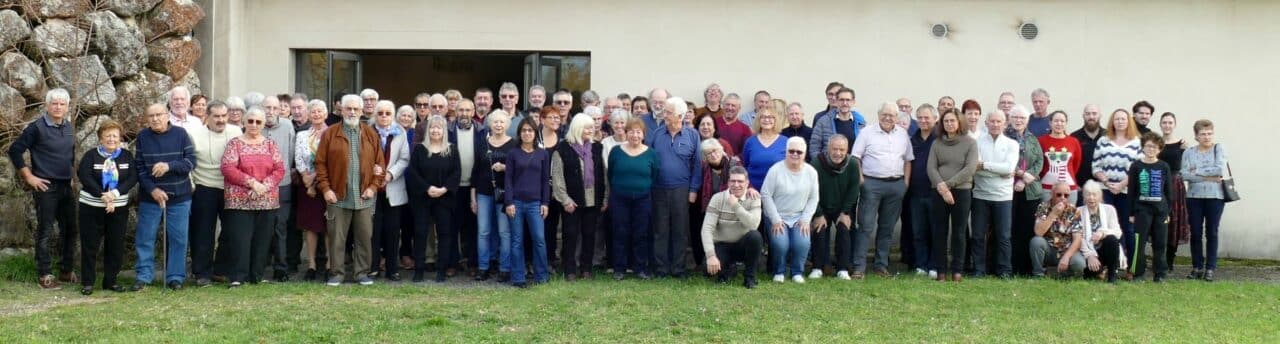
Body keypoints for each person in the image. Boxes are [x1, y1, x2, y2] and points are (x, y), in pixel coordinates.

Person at [8, 89, 78, 289]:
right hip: (45, 186)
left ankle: (66, 271)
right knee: (45, 230)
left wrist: (71, 177)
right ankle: (45, 274)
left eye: (62, 104)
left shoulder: (68, 127)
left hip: (66, 185)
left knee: (71, 230)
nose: (58, 107)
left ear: (67, 107)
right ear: (47, 106)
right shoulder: (36, 128)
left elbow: (70, 155)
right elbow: (15, 150)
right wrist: (29, 176)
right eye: (54, 103)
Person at [315, 94, 385, 287]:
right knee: (337, 238)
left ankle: (361, 273)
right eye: (349, 108)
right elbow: (320, 164)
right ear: (341, 110)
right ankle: (336, 274)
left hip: (364, 197)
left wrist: (372, 187)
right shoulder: (330, 133)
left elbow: (380, 165)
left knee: (363, 238)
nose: (352, 112)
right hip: (337, 196)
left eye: (356, 109)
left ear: (362, 111)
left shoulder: (371, 134)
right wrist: (326, 189)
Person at [132, 103, 196, 291]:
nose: (155, 119)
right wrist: (152, 189)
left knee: (178, 239)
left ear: (168, 115)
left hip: (179, 196)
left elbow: (191, 162)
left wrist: (169, 166)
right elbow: (140, 168)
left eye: (159, 114)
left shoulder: (181, 134)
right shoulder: (143, 137)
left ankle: (175, 277)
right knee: (145, 237)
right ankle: (144, 276)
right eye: (151, 115)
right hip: (151, 197)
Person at [219, 107, 286, 287]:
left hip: (266, 200)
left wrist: (264, 186)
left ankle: (257, 276)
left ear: (263, 124)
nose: (254, 125)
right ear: (244, 122)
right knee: (240, 240)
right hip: (240, 201)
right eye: (250, 121)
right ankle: (238, 277)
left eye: (258, 122)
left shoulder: (271, 144)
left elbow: (279, 169)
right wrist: (252, 183)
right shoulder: (235, 144)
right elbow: (228, 168)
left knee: (262, 240)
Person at [850, 103, 914, 278]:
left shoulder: (902, 134)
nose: (888, 118)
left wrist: (905, 182)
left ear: (896, 117)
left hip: (895, 186)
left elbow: (908, 159)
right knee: (865, 226)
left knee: (887, 228)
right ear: (878, 115)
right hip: (872, 184)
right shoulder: (867, 133)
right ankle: (859, 267)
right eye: (885, 114)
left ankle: (881, 265)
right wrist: (862, 181)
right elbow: (855, 158)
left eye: (892, 115)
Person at [75, 120, 136, 295]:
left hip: (118, 208)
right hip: (92, 207)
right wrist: (103, 196)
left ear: (120, 138)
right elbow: (84, 176)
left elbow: (132, 178)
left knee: (115, 245)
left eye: (115, 136)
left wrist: (114, 195)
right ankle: (87, 282)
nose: (111, 139)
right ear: (100, 138)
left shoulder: (126, 156)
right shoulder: (91, 156)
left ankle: (110, 281)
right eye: (107, 135)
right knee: (90, 245)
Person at [645, 97, 702, 278]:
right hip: (658, 189)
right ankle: (661, 269)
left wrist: (693, 190)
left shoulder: (693, 135)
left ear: (680, 115)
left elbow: (697, 165)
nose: (664, 115)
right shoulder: (657, 134)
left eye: (668, 112)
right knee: (660, 230)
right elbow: (649, 160)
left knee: (680, 231)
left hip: (681, 190)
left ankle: (678, 269)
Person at [187, 101, 242, 287]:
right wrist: (192, 184)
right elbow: (187, 160)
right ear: (207, 117)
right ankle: (201, 273)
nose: (221, 120)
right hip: (204, 186)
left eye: (224, 116)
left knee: (231, 229)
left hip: (231, 187)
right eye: (216, 116)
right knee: (203, 231)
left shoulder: (236, 132)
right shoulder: (194, 134)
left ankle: (221, 270)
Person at [406, 115, 461, 283]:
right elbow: (413, 173)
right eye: (432, 127)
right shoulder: (419, 149)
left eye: (439, 127)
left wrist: (444, 189)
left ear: (444, 130)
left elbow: (456, 172)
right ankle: (419, 270)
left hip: (444, 198)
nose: (435, 130)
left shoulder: (452, 149)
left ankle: (441, 270)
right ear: (428, 130)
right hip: (423, 198)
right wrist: (427, 188)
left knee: (444, 233)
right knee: (421, 233)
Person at [551, 114, 606, 281]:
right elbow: (557, 178)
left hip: (593, 201)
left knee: (589, 235)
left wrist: (604, 199)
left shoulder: (597, 148)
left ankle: (586, 269)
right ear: (577, 128)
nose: (591, 130)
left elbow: (603, 175)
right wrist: (565, 200)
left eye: (592, 127)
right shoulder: (562, 149)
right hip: (571, 202)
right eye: (587, 127)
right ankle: (569, 270)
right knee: (570, 235)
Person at [926, 108, 977, 282]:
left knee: (959, 232)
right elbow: (931, 167)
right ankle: (940, 270)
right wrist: (941, 188)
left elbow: (970, 168)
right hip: (938, 192)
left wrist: (946, 186)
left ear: (959, 122)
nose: (949, 124)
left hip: (961, 191)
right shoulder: (937, 143)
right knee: (939, 231)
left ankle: (957, 270)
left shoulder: (970, 143)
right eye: (946, 121)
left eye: (952, 121)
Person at [761, 137, 820, 283]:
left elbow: (814, 198)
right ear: (786, 152)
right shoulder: (775, 170)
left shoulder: (811, 172)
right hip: (777, 215)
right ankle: (779, 271)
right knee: (781, 244)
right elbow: (765, 194)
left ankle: (797, 272)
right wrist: (775, 219)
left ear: (804, 154)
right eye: (791, 151)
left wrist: (806, 220)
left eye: (799, 152)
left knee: (802, 243)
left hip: (799, 216)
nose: (795, 154)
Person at [609, 119, 659, 280]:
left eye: (638, 132)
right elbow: (611, 174)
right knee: (620, 232)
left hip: (643, 199)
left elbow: (654, 176)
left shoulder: (651, 153)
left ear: (643, 135)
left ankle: (640, 268)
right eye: (631, 131)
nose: (634, 135)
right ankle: (619, 268)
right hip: (619, 199)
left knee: (641, 233)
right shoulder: (616, 151)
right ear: (626, 133)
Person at [972, 110, 1019, 278]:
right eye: (992, 121)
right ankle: (978, 269)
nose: (995, 124)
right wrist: (998, 170)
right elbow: (974, 168)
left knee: (1004, 236)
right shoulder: (976, 142)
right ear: (986, 123)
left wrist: (984, 166)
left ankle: (1004, 270)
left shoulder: (1012, 144)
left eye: (999, 121)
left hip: (1003, 197)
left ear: (1005, 124)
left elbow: (1008, 168)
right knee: (977, 235)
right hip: (980, 195)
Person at [366, 101, 411, 282]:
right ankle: (374, 267)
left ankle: (393, 269)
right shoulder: (367, 131)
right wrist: (372, 171)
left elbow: (404, 158)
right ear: (375, 115)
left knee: (393, 231)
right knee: (373, 230)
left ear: (393, 115)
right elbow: (362, 156)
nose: (384, 116)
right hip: (372, 188)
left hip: (393, 187)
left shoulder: (401, 133)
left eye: (388, 113)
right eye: (380, 113)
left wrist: (390, 174)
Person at [505, 120, 551, 288]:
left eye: (530, 130)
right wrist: (509, 201)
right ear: (519, 133)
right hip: (516, 202)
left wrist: (545, 202)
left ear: (535, 133)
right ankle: (518, 277)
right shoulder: (513, 154)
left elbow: (545, 180)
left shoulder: (543, 154)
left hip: (535, 204)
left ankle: (541, 276)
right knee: (517, 241)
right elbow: (508, 179)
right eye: (524, 130)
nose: (527, 133)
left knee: (539, 239)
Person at [808, 134, 861, 280]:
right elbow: (811, 190)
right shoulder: (817, 162)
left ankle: (842, 268)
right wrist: (818, 213)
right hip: (821, 206)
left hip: (841, 207)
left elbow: (854, 189)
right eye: (835, 149)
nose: (838, 153)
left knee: (844, 229)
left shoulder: (852, 164)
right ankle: (817, 267)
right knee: (820, 229)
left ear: (847, 150)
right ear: (828, 148)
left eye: (842, 150)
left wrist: (845, 212)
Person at [701, 166, 764, 289]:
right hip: (722, 245)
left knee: (755, 237)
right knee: (707, 270)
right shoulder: (717, 198)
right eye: (733, 181)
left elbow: (753, 225)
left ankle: (749, 277)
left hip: (742, 244)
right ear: (728, 182)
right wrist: (711, 256)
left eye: (740, 181)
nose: (736, 185)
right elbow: (707, 229)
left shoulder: (754, 198)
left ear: (747, 183)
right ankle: (729, 269)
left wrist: (735, 205)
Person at [1181, 119, 1227, 281]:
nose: (1207, 137)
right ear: (1196, 136)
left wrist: (1198, 171)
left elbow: (1220, 169)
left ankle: (1210, 268)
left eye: (1209, 134)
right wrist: (1210, 177)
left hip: (1215, 197)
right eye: (1203, 134)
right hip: (1194, 197)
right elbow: (1185, 175)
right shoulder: (1188, 153)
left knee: (1212, 232)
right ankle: (1197, 267)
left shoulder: (1218, 149)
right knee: (1195, 233)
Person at [1091, 109, 1141, 257]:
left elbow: (1139, 168)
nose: (1120, 122)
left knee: (1127, 227)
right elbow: (1095, 167)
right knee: (1105, 227)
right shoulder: (1103, 141)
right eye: (1117, 119)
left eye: (1123, 119)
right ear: (1112, 121)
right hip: (1105, 190)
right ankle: (1109, 265)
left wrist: (1122, 184)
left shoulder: (1137, 142)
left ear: (1129, 122)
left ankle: (1130, 266)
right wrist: (1106, 182)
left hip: (1127, 192)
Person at [472, 111, 515, 282]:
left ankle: (504, 268)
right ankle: (483, 267)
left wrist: (505, 168)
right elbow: (475, 171)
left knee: (504, 232)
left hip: (505, 194)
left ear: (507, 124)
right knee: (483, 231)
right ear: (490, 124)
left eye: (501, 122)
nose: (498, 125)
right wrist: (472, 198)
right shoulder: (483, 144)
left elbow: (519, 170)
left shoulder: (514, 145)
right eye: (495, 122)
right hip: (483, 193)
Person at [692, 139, 743, 273]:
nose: (713, 155)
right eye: (709, 154)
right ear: (705, 157)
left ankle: (734, 262)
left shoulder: (734, 164)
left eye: (715, 151)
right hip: (713, 211)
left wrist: (751, 189)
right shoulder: (705, 169)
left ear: (721, 150)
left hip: (732, 211)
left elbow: (744, 183)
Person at [1128, 132, 1173, 282]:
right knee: (1139, 243)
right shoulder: (1136, 166)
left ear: (1159, 149)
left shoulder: (1164, 166)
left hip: (1161, 211)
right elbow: (1132, 191)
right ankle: (1138, 273)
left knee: (1160, 243)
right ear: (1143, 147)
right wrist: (1131, 213)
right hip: (1142, 210)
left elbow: (1168, 191)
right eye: (1148, 146)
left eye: (1154, 146)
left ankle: (1160, 274)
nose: (1151, 149)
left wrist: (1168, 212)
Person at [294, 100, 330, 281]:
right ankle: (312, 265)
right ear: (308, 114)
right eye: (313, 111)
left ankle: (331, 265)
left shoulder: (333, 133)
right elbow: (298, 159)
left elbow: (333, 161)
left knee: (330, 225)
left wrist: (315, 183)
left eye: (319, 111)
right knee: (311, 226)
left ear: (326, 113)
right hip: (306, 187)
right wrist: (307, 180)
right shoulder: (301, 135)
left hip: (327, 186)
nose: (316, 114)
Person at [1006, 105, 1044, 276]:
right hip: (1009, 189)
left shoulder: (1032, 139)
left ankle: (1026, 268)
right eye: (1015, 117)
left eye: (1022, 118)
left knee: (1027, 229)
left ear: (1027, 120)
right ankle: (1011, 267)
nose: (1018, 121)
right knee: (1011, 229)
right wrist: (1021, 175)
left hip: (1031, 191)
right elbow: (1005, 161)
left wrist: (1028, 177)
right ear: (1010, 119)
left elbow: (1039, 161)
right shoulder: (1004, 137)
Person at [262, 96, 296, 282]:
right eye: (267, 107)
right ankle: (259, 266)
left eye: (275, 108)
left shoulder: (287, 126)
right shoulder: (255, 123)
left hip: (282, 184)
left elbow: (290, 153)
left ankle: (281, 268)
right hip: (259, 186)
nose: (271, 111)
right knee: (261, 227)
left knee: (280, 227)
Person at [902, 104, 938, 275]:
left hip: (935, 192)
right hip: (915, 193)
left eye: (927, 118)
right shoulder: (912, 139)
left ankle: (933, 265)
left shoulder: (940, 139)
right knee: (918, 231)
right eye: (920, 118)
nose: (923, 121)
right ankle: (921, 265)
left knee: (935, 230)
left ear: (935, 119)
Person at [449, 99, 481, 276]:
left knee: (473, 227)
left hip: (474, 187)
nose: (464, 113)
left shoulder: (482, 131)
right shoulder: (448, 130)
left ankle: (472, 263)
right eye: (461, 110)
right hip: (453, 187)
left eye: (468, 110)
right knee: (452, 227)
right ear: (455, 111)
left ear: (473, 111)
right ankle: (452, 263)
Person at [1157, 112, 1191, 272]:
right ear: (1160, 124)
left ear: (1174, 125)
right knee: (1159, 221)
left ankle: (1170, 260)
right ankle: (1160, 259)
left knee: (1175, 222)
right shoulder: (1156, 143)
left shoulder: (1182, 145)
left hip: (1176, 185)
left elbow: (1189, 165)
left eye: (1170, 122)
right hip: (1158, 183)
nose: (1167, 125)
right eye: (1164, 122)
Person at [1030, 182, 1085, 278]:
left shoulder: (1074, 210)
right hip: (1049, 249)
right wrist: (1053, 214)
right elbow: (1038, 232)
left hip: (1066, 250)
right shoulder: (1043, 207)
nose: (1063, 198)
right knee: (1036, 241)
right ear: (1052, 193)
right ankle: (1038, 274)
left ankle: (1053, 273)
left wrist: (1066, 257)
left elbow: (1077, 239)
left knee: (1079, 264)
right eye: (1059, 194)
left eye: (1066, 195)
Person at [1078, 180, 1127, 283]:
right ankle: (1099, 271)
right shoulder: (1078, 211)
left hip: (1104, 248)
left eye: (1094, 195)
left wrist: (1102, 233)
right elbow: (1078, 237)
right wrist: (1089, 255)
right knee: (1091, 273)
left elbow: (1118, 232)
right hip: (1087, 250)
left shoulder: (1109, 209)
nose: (1091, 198)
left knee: (1112, 239)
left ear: (1100, 196)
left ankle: (1112, 275)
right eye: (1088, 195)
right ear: (1084, 196)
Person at [536, 106, 564, 265]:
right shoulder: (535, 139)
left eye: (557, 118)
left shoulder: (562, 140)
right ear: (542, 120)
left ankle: (550, 260)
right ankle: (534, 259)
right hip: (536, 189)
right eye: (551, 117)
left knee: (552, 226)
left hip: (555, 190)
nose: (555, 120)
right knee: (536, 226)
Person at [1038, 110, 1083, 204]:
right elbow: (1039, 163)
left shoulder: (1073, 141)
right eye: (1056, 121)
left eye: (1062, 121)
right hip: (1046, 188)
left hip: (1068, 188)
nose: (1059, 124)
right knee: (1046, 217)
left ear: (1066, 123)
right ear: (1050, 123)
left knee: (1068, 217)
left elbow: (1076, 164)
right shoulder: (1041, 141)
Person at [809, 87, 863, 160]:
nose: (844, 103)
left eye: (848, 100)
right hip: (828, 167)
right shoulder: (823, 122)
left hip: (852, 167)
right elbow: (814, 147)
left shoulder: (861, 123)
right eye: (841, 100)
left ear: (853, 102)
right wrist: (821, 165)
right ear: (837, 101)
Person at [741, 107, 787, 190]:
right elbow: (745, 166)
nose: (766, 120)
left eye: (770, 117)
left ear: (775, 120)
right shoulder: (750, 142)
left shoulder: (785, 141)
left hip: (778, 191)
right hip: (753, 192)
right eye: (763, 117)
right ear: (758, 120)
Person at [1071, 104, 1104, 202]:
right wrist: (1074, 184)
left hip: (1103, 188)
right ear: (1083, 116)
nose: (1091, 117)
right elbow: (1069, 164)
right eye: (1088, 114)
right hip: (1080, 188)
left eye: (1094, 114)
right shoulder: (1074, 137)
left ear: (1100, 115)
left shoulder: (1108, 136)